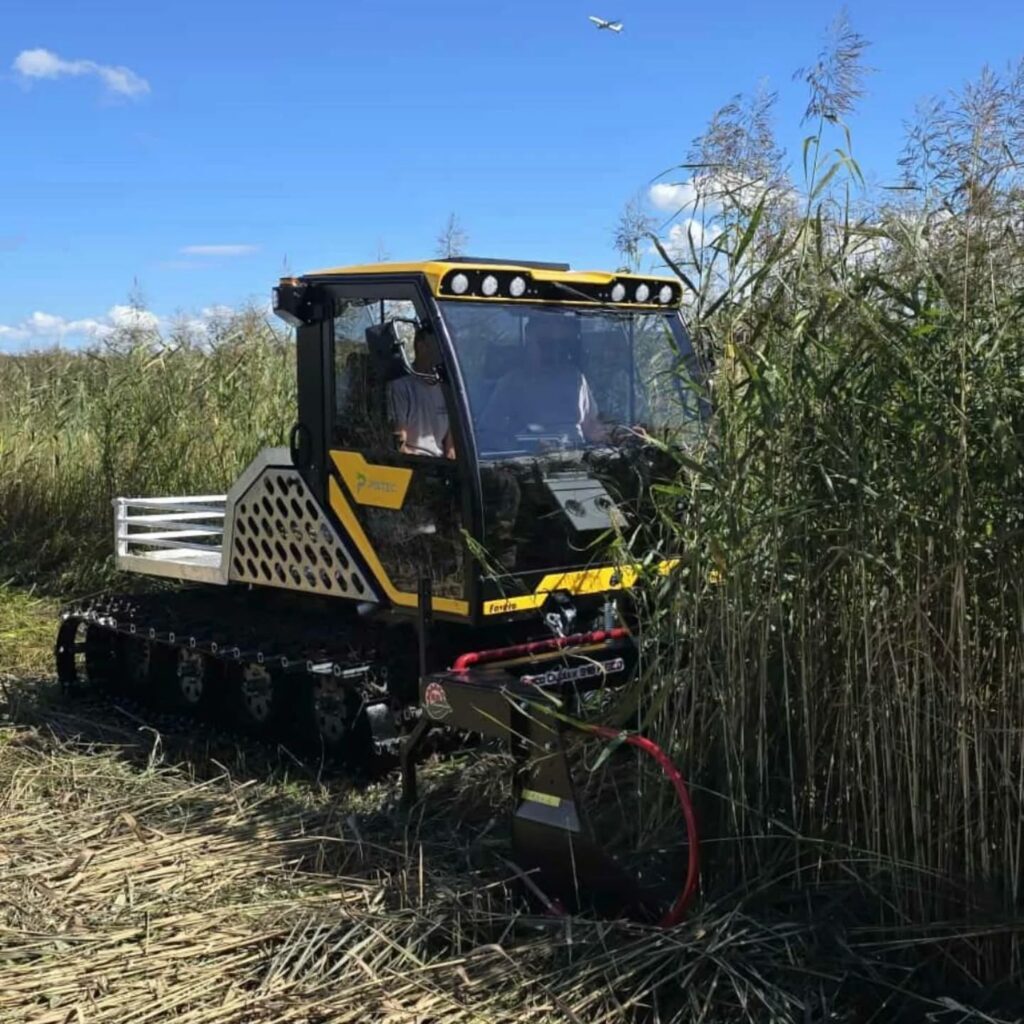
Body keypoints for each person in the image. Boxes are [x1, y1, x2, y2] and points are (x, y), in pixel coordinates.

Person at [479, 317, 606, 450]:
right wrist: (520, 448)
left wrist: (610, 436)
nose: (551, 351)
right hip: (530, 463)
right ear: (528, 344)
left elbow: (590, 426)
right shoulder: (511, 383)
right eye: (545, 343)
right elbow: (490, 434)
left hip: (577, 459)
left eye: (557, 344)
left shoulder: (574, 377)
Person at [386, 327, 455, 458]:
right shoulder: (401, 386)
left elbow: (450, 446)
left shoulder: (447, 387)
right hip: (416, 463)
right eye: (440, 345)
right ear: (422, 346)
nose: (446, 352)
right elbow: (399, 441)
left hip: (443, 464)